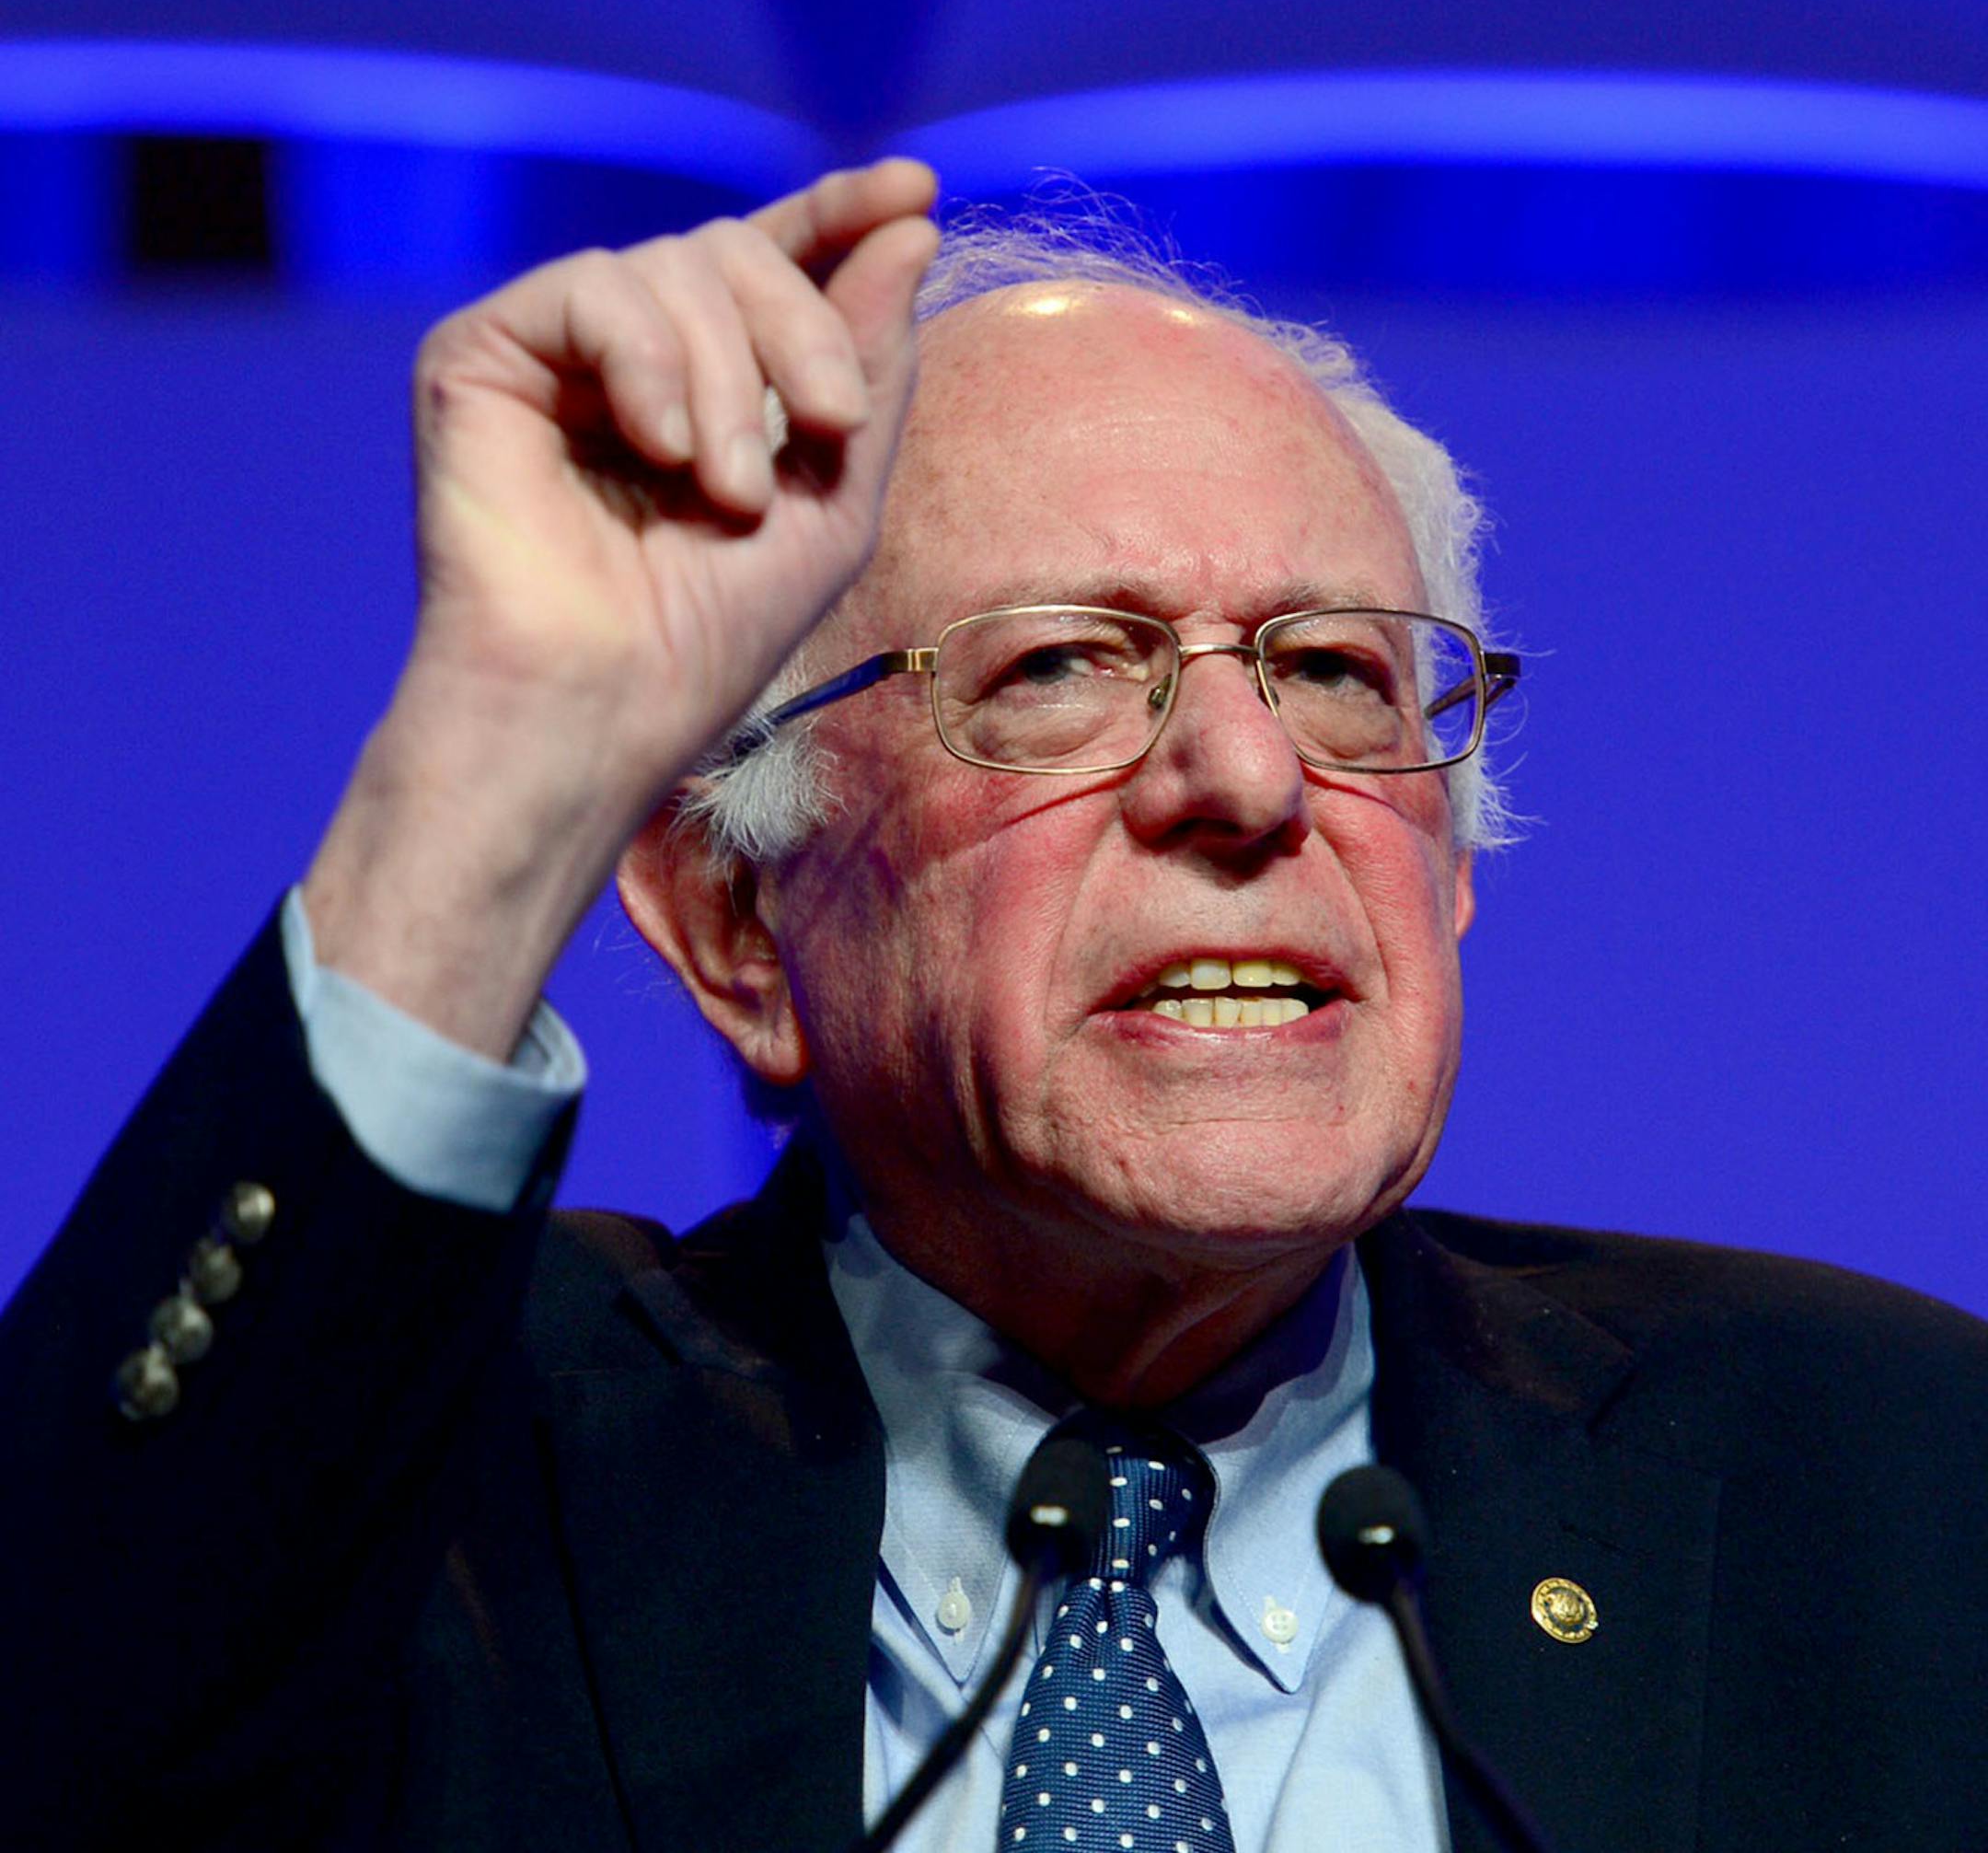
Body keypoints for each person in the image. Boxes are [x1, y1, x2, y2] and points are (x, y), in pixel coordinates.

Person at [2, 159, 1982, 1853]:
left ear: (1449, 877)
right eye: (1055, 669)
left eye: (1336, 672)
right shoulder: (445, 1484)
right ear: (736, 923)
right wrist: (496, 765)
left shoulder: (1886, 1486)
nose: (1249, 778)